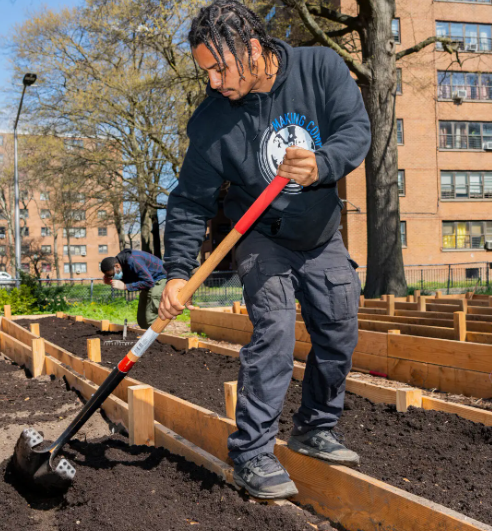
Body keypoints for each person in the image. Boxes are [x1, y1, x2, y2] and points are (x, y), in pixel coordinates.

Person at [158, 0, 370, 499]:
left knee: (339, 328)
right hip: (259, 236)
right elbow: (189, 201)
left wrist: (322, 163)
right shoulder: (213, 123)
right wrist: (177, 272)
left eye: (219, 68)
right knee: (274, 331)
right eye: (206, 72)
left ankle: (315, 427)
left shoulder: (320, 68)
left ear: (252, 49)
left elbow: (355, 130)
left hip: (321, 235)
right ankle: (252, 453)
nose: (214, 82)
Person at [100, 249, 167, 329]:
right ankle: (147, 334)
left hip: (160, 278)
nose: (113, 277)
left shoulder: (133, 261)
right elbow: (133, 277)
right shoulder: (122, 263)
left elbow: (149, 282)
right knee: (142, 320)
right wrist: (112, 281)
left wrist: (125, 286)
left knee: (151, 316)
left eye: (112, 275)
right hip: (149, 280)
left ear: (117, 266)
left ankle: (157, 334)